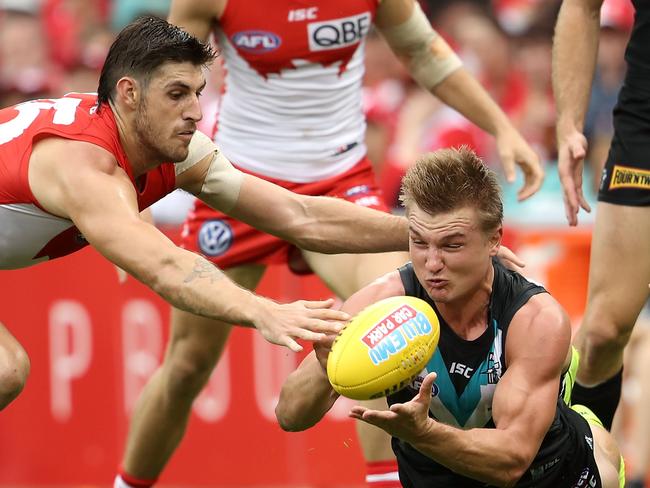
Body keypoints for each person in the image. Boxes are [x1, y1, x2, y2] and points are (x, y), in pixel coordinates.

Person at [114, 1, 545, 486]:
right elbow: (160, 81)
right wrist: (130, 180)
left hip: (339, 185)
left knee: (388, 328)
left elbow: (423, 50)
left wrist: (502, 127)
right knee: (187, 367)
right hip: (239, 188)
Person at [0, 16, 431, 415]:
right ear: (129, 94)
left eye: (197, 92)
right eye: (176, 94)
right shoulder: (84, 166)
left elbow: (300, 215)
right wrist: (264, 310)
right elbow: (167, 268)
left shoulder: (169, 147)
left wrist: (424, 234)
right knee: (7, 370)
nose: (196, 111)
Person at [275, 147, 625, 487]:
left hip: (545, 477)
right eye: (419, 242)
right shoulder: (383, 303)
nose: (432, 263)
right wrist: (326, 370)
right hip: (435, 478)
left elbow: (511, 462)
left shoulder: (534, 319)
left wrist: (423, 433)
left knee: (602, 468)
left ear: (494, 239)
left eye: (452, 245)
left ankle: (590, 429)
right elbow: (289, 416)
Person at [553, 0, 650, 431]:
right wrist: (569, 125)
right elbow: (581, 5)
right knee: (602, 333)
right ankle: (567, 467)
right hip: (644, 125)